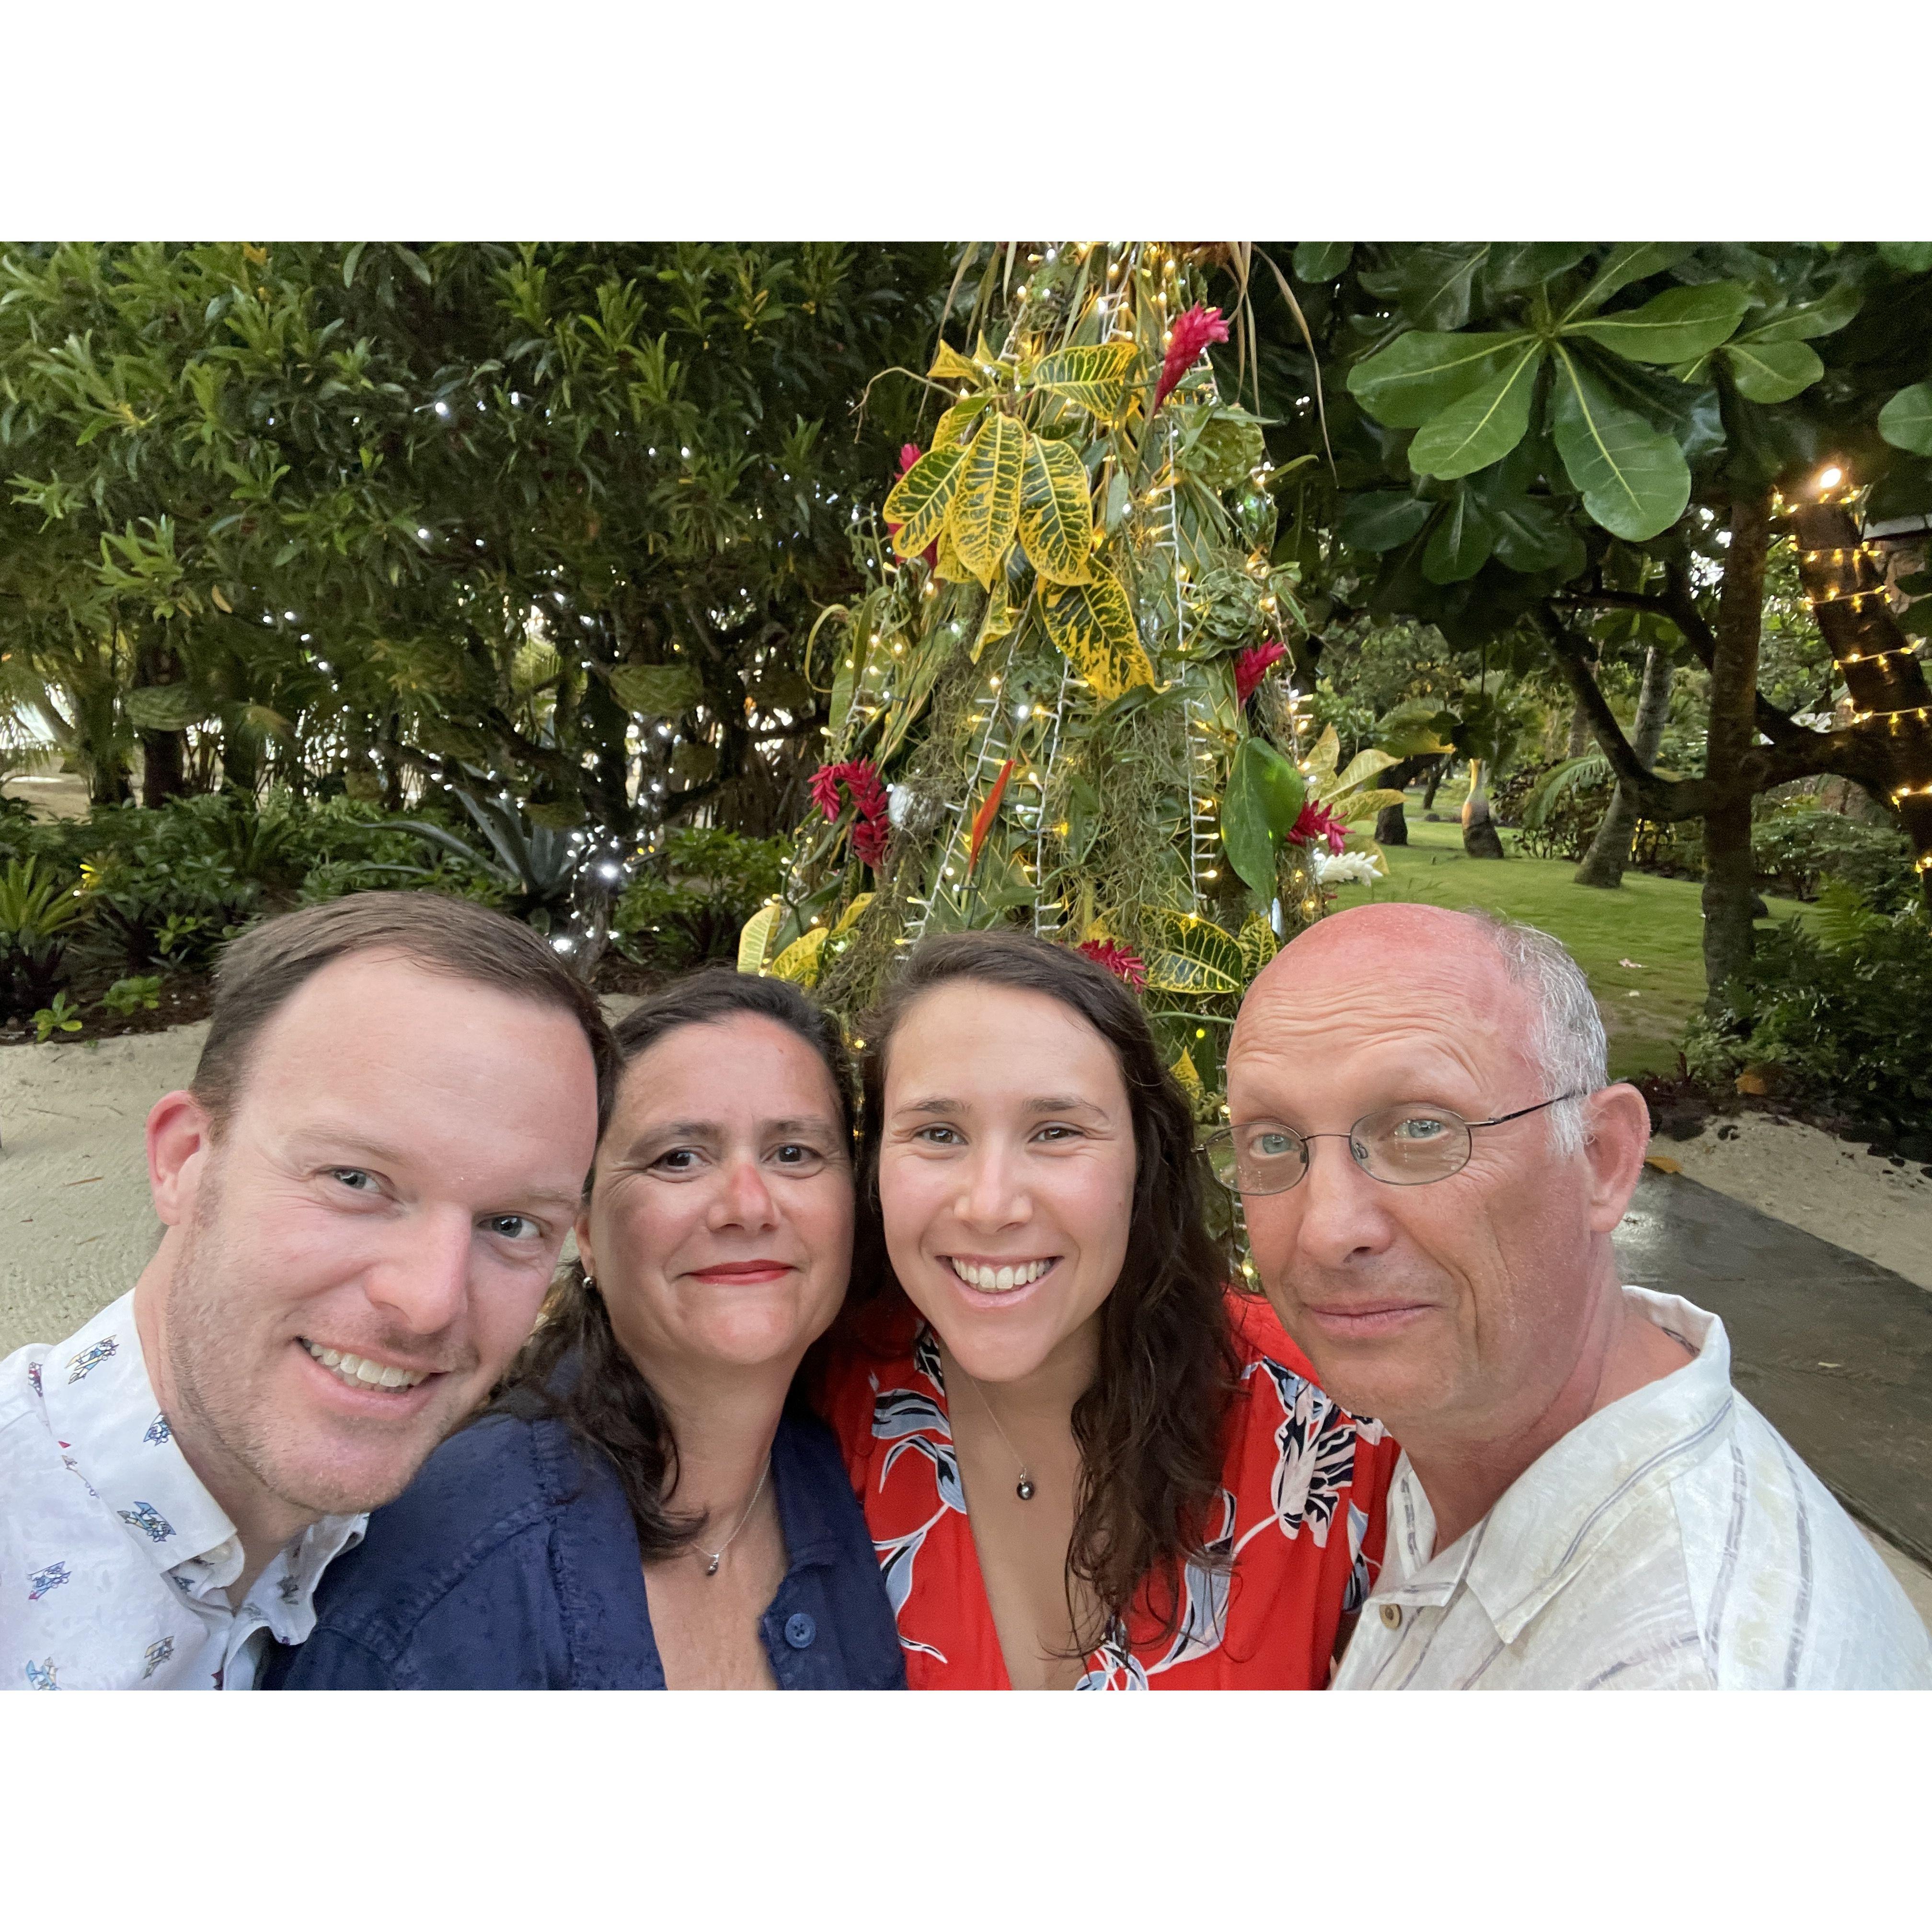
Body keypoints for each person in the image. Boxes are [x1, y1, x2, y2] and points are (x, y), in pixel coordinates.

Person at [1225, 901, 1932, 1690]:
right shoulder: (1483, 1412)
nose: (1326, 1230)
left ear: (1601, 1159)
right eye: (1274, 1142)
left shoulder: (1686, 1676)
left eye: (1422, 1129)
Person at [2, 893, 613, 1691]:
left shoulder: (385, 1532)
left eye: (511, 1223)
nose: (430, 1301)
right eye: (356, 1179)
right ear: (184, 1160)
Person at [271, 969, 905, 1690]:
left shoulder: (848, 1470)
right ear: (588, 1234)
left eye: (794, 1152)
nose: (748, 1206)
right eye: (679, 1158)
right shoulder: (445, 1572)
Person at [820, 930, 1398, 1689]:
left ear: (1144, 1163)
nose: (991, 1206)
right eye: (937, 1133)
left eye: (1056, 1132)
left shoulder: (1330, 1430)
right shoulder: (821, 1416)